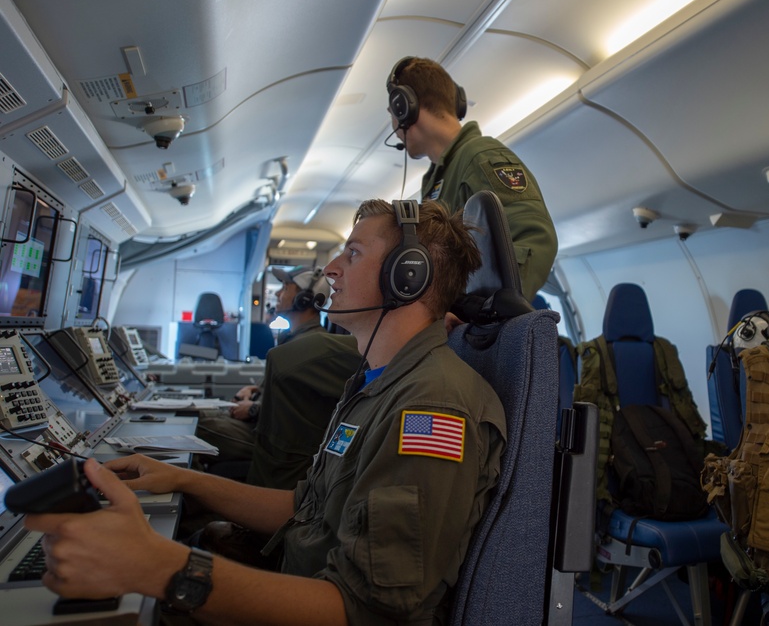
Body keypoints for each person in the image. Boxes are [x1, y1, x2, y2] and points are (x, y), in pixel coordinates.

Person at [27, 199, 506, 625]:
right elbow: (307, 508)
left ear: (408, 276)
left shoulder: (432, 409)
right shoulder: (374, 384)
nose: (332, 269)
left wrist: (158, 567)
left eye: (353, 254)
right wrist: (181, 480)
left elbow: (364, 609)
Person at [387, 55, 557, 299]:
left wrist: (483, 314)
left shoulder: (480, 156)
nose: (393, 126)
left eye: (391, 113)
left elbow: (534, 238)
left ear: (405, 107)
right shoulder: (438, 177)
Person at [196, 266, 345, 468]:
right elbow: (287, 389)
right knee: (202, 414)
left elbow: (301, 410)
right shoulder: (294, 339)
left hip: (271, 440)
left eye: (285, 287)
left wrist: (254, 409)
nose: (277, 293)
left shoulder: (312, 345)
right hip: (260, 426)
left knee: (199, 424)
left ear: (305, 299)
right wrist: (254, 390)